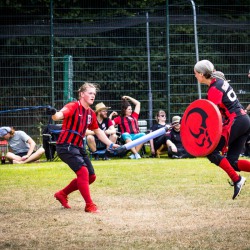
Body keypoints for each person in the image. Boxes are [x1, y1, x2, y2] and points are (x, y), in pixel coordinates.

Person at [46, 82, 119, 213]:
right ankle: (89, 205)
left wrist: (111, 144)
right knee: (83, 172)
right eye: (90, 93)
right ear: (81, 94)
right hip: (66, 146)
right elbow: (59, 116)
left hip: (78, 146)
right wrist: (53, 113)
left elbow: (98, 131)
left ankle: (62, 194)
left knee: (91, 176)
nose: (93, 96)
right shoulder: (73, 106)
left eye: (94, 94)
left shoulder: (90, 113)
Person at [194, 59, 250, 199]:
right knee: (232, 162)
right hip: (244, 120)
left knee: (211, 150)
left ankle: (237, 180)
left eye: (195, 74)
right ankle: (237, 179)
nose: (195, 76)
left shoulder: (214, 89)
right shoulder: (218, 83)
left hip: (235, 122)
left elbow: (212, 115)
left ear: (201, 74)